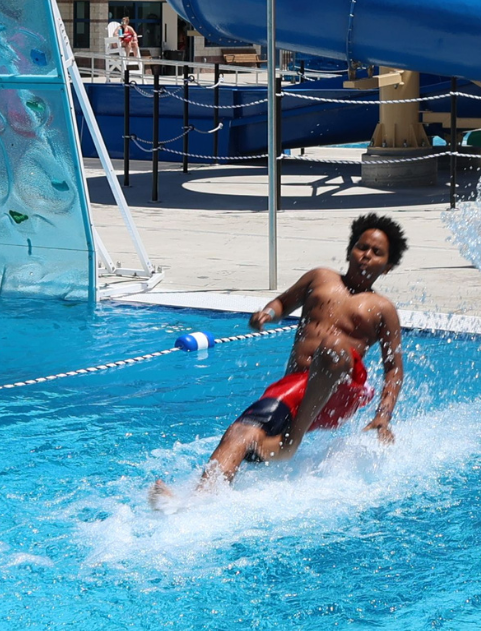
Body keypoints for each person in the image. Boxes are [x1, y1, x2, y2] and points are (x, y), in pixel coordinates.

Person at [157, 213, 409, 501]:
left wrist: (383, 416)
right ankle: (197, 502)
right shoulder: (320, 278)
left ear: (387, 267)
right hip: (294, 390)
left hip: (338, 392)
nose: (366, 256)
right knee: (241, 433)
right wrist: (269, 313)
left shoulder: (382, 308)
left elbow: (394, 369)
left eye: (377, 253)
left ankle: (292, 441)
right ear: (350, 249)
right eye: (362, 247)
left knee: (333, 346)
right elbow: (283, 303)